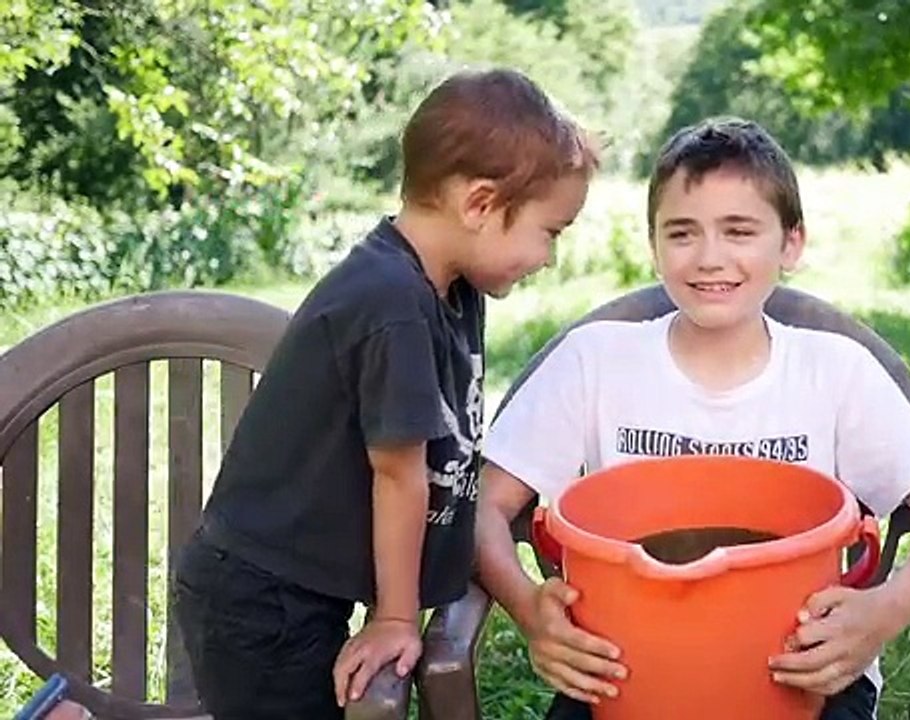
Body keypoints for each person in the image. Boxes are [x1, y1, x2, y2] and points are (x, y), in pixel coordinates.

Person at [473, 116, 910, 719]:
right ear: (653, 245)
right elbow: (485, 505)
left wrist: (886, 609)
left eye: (739, 230)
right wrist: (528, 607)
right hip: (624, 683)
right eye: (682, 233)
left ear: (791, 244)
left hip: (805, 682)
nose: (709, 257)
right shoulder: (595, 362)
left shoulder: (834, 372)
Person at [171, 67, 598, 720]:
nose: (548, 258)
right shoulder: (391, 303)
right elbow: (399, 476)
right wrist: (397, 618)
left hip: (308, 588)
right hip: (259, 600)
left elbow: (439, 468)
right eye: (551, 232)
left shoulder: (451, 290)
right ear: (480, 204)